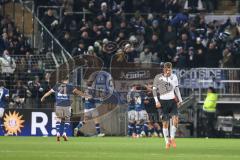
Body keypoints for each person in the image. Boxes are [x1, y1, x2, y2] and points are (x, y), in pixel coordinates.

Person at [41, 76, 84, 141]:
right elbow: (77, 92)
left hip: (58, 105)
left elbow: (49, 92)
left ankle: (58, 133)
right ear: (67, 80)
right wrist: (84, 95)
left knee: (58, 119)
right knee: (67, 119)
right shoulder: (69, 86)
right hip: (67, 105)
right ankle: (64, 133)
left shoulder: (57, 86)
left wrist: (43, 97)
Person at [153, 62, 183, 149]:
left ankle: (172, 138)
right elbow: (154, 90)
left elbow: (177, 89)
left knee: (176, 120)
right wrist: (156, 101)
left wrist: (180, 100)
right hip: (162, 102)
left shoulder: (174, 77)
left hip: (172, 101)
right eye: (167, 69)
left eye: (170, 69)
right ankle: (167, 141)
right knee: (165, 123)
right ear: (164, 69)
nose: (168, 70)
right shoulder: (158, 77)